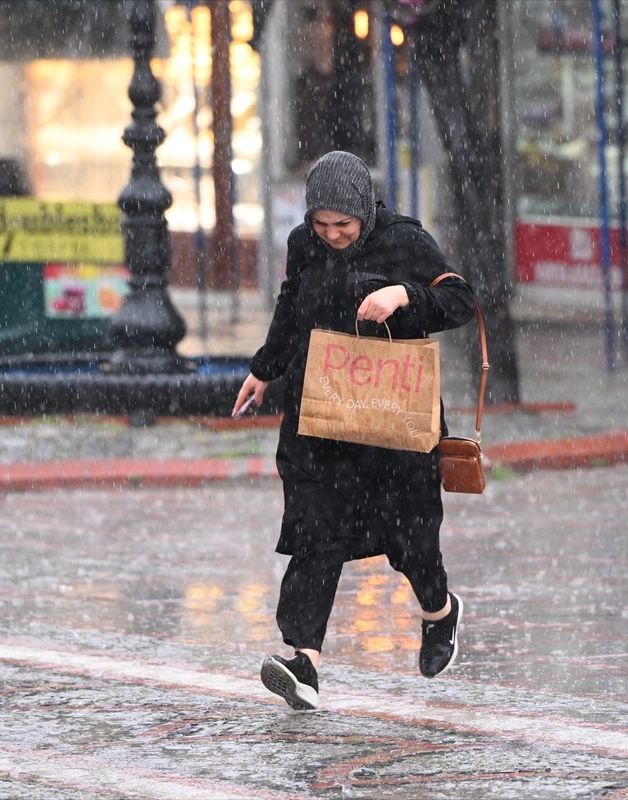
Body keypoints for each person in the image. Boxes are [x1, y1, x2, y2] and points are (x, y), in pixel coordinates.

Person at [232, 150, 477, 711]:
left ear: (365, 212)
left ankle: (440, 613)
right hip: (320, 415)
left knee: (412, 539)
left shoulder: (405, 242)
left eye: (343, 225)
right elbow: (292, 308)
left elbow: (460, 300)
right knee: (316, 533)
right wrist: (264, 370)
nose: (332, 235)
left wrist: (405, 296)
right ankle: (303, 664)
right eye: (321, 224)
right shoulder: (304, 245)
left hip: (393, 422)